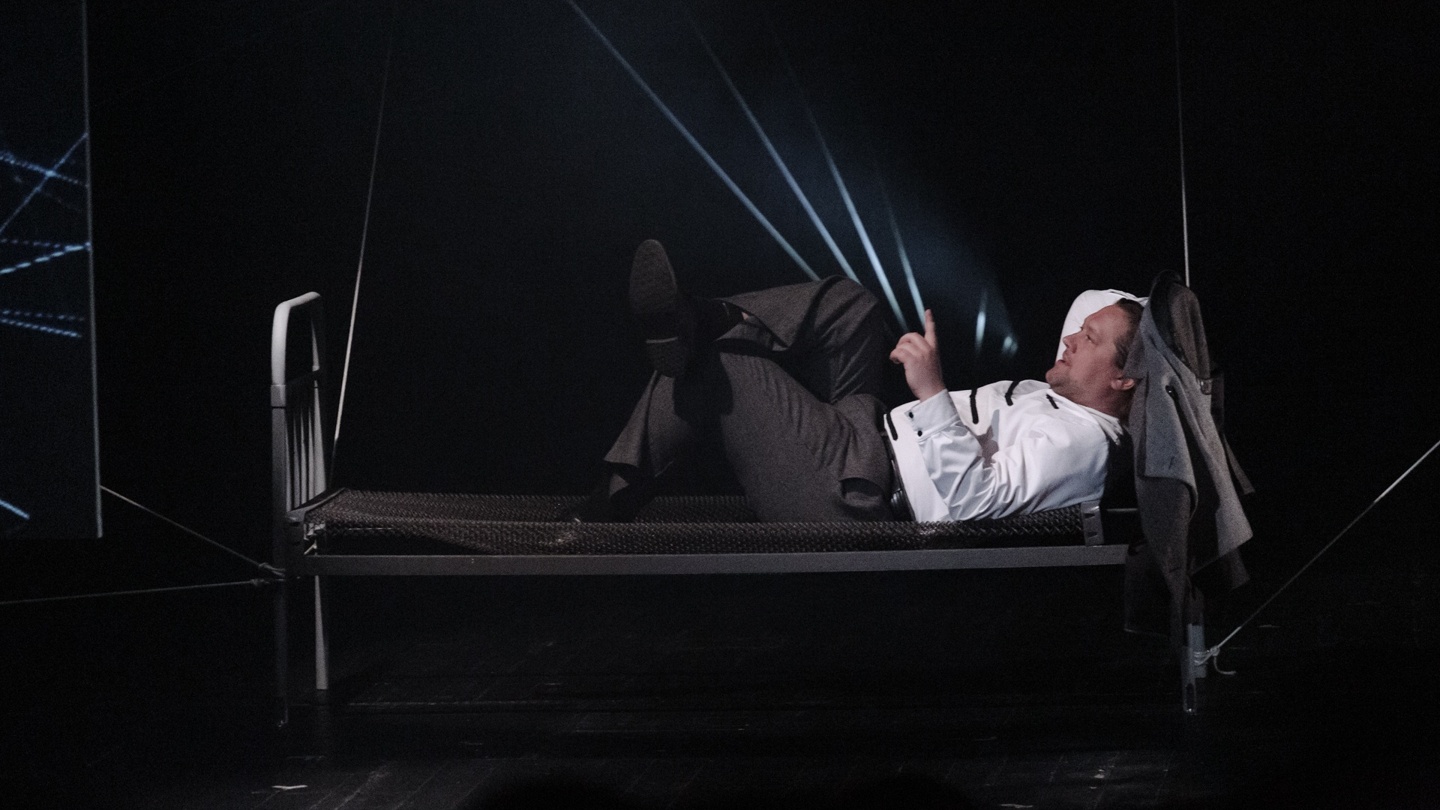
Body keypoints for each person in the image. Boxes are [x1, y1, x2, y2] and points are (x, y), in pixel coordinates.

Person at [569, 239, 1141, 523]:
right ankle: (706, 315)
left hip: (856, 497)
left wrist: (932, 392)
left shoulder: (1084, 446)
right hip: (867, 444)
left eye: (1088, 339)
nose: (1069, 339)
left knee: (724, 364)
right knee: (853, 308)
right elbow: (1095, 309)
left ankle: (602, 509)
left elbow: (974, 500)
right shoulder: (1061, 400)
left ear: (1125, 380)